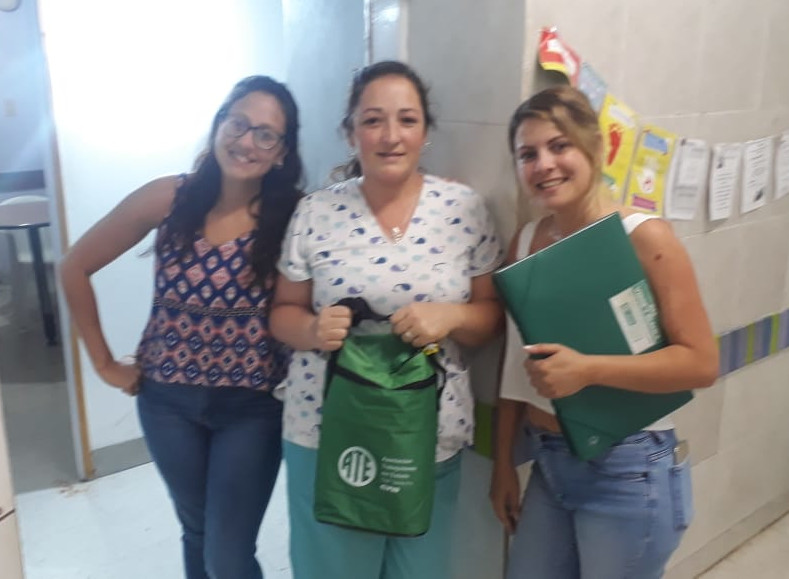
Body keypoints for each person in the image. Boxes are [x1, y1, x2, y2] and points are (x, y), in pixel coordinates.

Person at [60, 76, 303, 579]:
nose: (246, 141)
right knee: (196, 533)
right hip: (167, 403)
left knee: (227, 555)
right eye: (238, 124)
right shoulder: (170, 197)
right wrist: (103, 363)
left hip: (252, 408)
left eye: (265, 134)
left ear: (282, 152)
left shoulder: (294, 216)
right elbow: (74, 265)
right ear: (218, 125)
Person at [269, 60, 504, 579]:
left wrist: (452, 315)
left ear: (426, 131)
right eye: (373, 120)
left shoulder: (463, 209)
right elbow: (282, 313)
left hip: (423, 434)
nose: (390, 136)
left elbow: (490, 317)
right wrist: (311, 330)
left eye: (407, 119)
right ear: (350, 133)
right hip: (327, 431)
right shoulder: (315, 212)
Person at [489, 85, 719, 579]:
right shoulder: (525, 242)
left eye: (559, 146)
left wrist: (588, 370)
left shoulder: (644, 236)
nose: (544, 165)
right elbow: (513, 364)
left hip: (628, 468)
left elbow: (701, 363)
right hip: (550, 462)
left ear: (595, 147)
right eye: (528, 154)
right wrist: (502, 462)